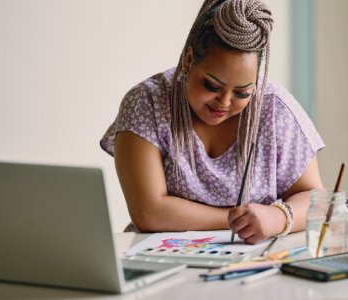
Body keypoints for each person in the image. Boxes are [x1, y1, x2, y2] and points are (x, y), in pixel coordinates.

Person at [100, 0, 324, 244]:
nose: (224, 102)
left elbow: (316, 200)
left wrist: (279, 217)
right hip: (159, 266)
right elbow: (149, 213)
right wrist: (238, 218)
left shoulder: (275, 110)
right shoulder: (147, 103)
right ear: (188, 59)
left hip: (252, 268)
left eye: (242, 93)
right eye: (212, 86)